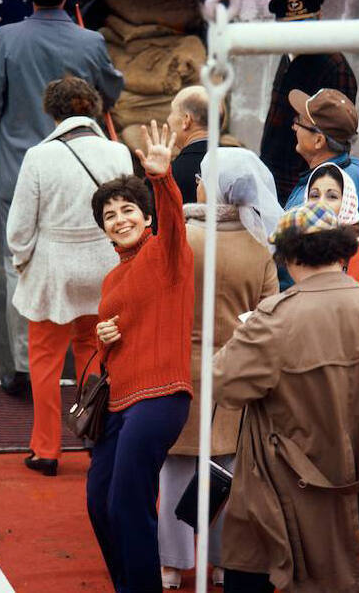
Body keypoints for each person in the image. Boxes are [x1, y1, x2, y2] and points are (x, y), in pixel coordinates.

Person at [0, 0, 124, 397]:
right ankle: (88, 363)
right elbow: (112, 91)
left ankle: (24, 367)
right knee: (86, 253)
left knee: (19, 261)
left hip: (19, 170)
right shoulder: (90, 42)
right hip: (80, 168)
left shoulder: (4, 39)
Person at [213, 201, 359, 593]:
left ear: (288, 254)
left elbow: (225, 385)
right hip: (351, 477)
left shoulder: (275, 318)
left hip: (284, 484)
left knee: (251, 568)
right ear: (341, 250)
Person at [158, 147, 281, 590]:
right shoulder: (259, 245)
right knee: (227, 469)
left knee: (174, 467)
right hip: (235, 369)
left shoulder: (183, 240)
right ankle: (222, 562)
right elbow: (268, 314)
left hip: (181, 366)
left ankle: (172, 564)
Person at [87, 121, 194, 593]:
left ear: (146, 217)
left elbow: (173, 217)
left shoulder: (166, 252)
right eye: (109, 215)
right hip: (116, 402)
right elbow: (111, 345)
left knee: (129, 500)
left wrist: (161, 177)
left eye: (127, 209)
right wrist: (103, 335)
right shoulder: (112, 278)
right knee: (99, 502)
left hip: (160, 396)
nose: (119, 218)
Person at [6, 77, 133, 476]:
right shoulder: (118, 153)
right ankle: (94, 440)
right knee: (94, 353)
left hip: (53, 271)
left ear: (53, 112)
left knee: (43, 361)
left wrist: (22, 262)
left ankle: (46, 450)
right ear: (93, 109)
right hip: (104, 267)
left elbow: (21, 227)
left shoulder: (39, 157)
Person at [260, 0, 357, 207]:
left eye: (304, 26)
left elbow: (336, 137)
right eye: (290, 29)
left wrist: (314, 189)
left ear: (319, 17)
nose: (297, 36)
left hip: (305, 188)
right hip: (273, 180)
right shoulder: (288, 54)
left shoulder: (335, 67)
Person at [285, 88, 359, 215]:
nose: (294, 127)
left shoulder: (306, 204)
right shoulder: (357, 168)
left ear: (319, 141)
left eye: (299, 121)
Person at [304, 162, 359, 283]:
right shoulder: (299, 244)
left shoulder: (358, 250)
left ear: (346, 202)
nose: (321, 203)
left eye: (332, 196)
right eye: (314, 195)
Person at [166, 86, 210, 204]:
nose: (168, 119)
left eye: (172, 112)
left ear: (186, 120)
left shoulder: (169, 177)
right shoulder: (241, 164)